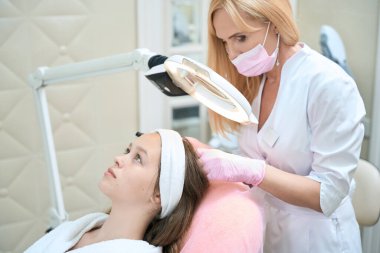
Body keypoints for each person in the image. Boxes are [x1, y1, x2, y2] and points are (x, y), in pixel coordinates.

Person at [191, 0, 366, 252]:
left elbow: (327, 194)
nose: (231, 54)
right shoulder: (257, 81)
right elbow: (256, 153)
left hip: (317, 237)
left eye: (240, 37)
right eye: (224, 41)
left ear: (274, 24)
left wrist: (252, 170)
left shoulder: (328, 84)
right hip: (267, 227)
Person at [25, 129, 209, 253]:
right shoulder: (77, 229)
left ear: (158, 195)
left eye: (138, 158)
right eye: (127, 151)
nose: (119, 158)